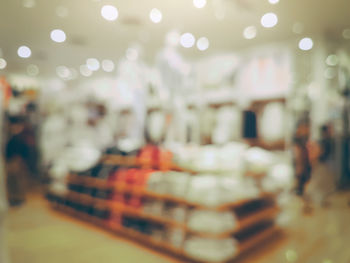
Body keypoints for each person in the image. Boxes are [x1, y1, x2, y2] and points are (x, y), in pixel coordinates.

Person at [292, 117, 320, 212]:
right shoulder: (298, 140)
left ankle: (305, 205)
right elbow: (298, 155)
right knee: (301, 188)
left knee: (306, 187)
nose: (306, 129)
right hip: (301, 167)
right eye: (305, 127)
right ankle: (303, 206)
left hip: (306, 165)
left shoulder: (304, 139)